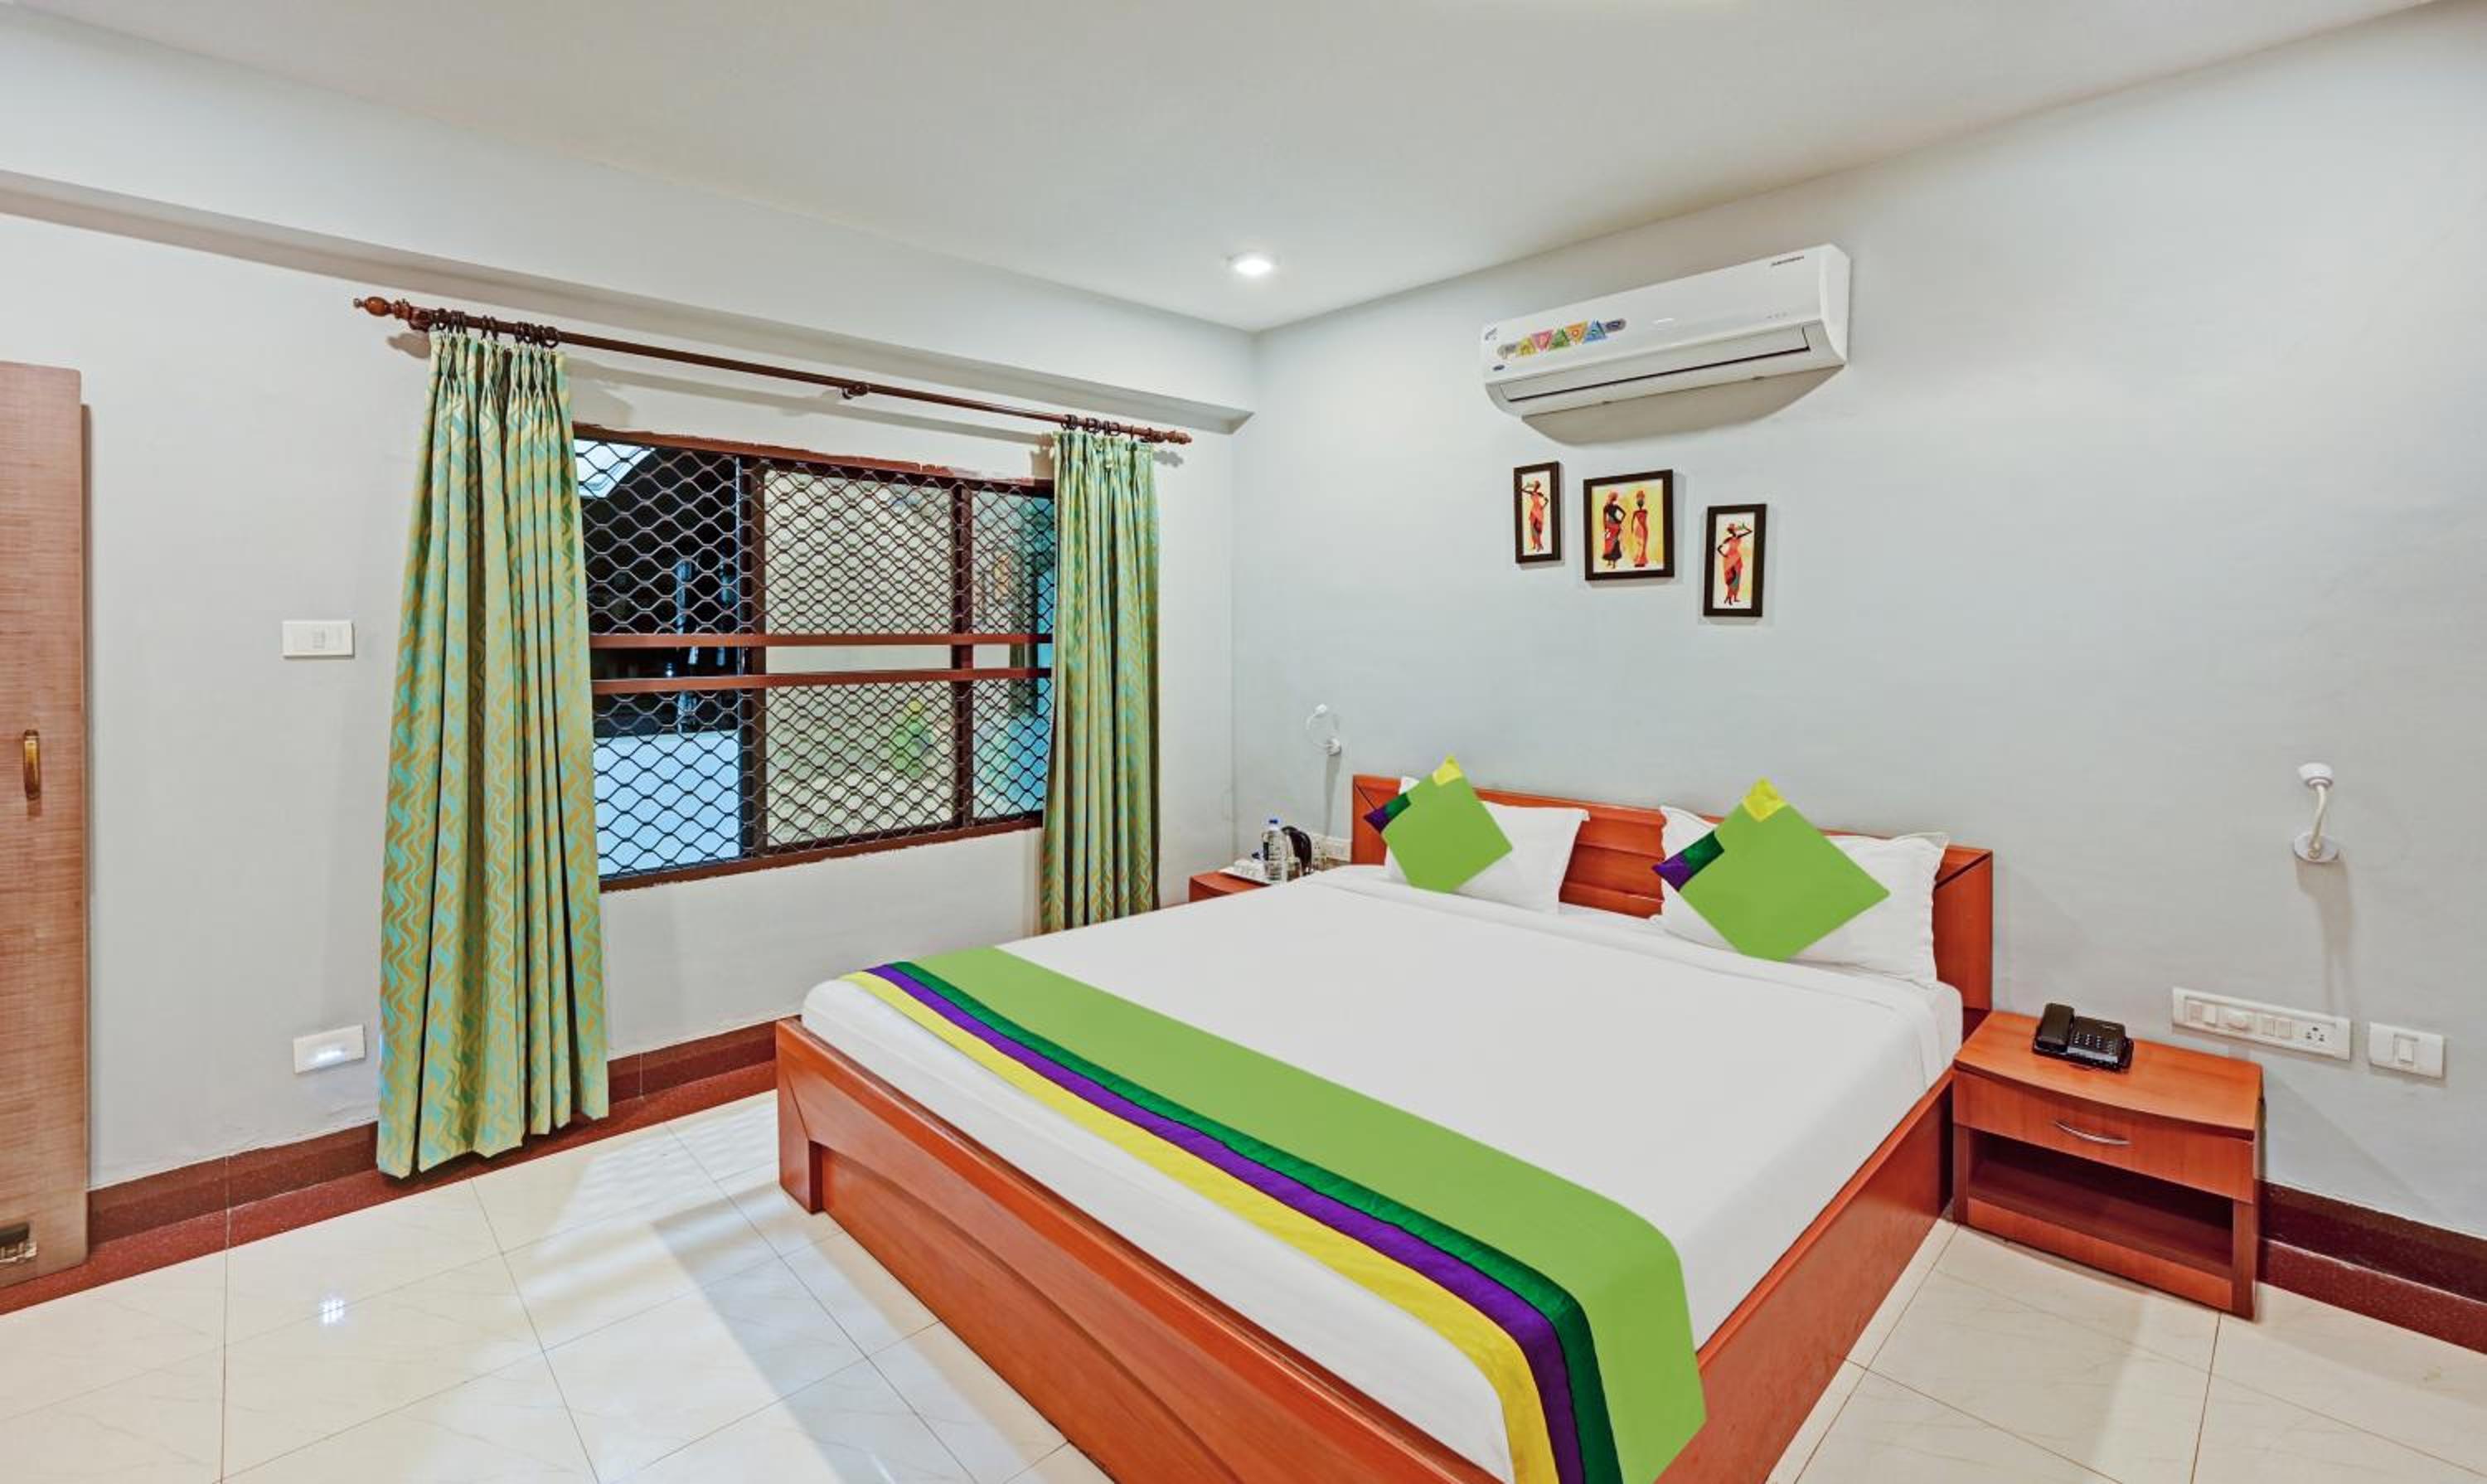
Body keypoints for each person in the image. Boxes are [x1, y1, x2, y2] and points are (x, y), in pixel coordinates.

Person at [1717, 520, 1753, 604]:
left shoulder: (1739, 536)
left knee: (1737, 577)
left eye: (1734, 530)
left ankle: (1735, 597)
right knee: (1732, 577)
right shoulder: (1728, 539)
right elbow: (1718, 548)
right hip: (1730, 557)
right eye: (1732, 530)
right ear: (1730, 531)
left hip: (1737, 557)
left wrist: (1744, 527)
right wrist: (1724, 555)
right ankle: (1729, 597)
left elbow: (1750, 531)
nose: (1733, 531)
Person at [1625, 490, 1651, 568]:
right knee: (1640, 545)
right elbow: (1633, 522)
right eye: (1639, 499)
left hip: (1642, 528)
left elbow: (1633, 522)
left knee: (1642, 545)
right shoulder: (1641, 512)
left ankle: (1641, 560)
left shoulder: (1642, 511)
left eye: (1641, 499)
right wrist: (1632, 529)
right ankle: (1639, 560)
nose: (1640, 501)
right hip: (1641, 528)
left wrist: (1632, 529)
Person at [1600, 492, 1625, 567]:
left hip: (1615, 527)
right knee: (1609, 544)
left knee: (1614, 543)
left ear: (1613, 499)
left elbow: (1624, 513)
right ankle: (1610, 562)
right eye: (1609, 497)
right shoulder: (1606, 507)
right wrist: (1605, 527)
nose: (1609, 499)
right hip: (1610, 527)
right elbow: (1604, 518)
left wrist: (1619, 521)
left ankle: (1613, 563)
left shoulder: (1614, 507)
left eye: (1611, 498)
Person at [1524, 478, 1549, 551]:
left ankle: (1538, 545)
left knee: (1535, 528)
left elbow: (1547, 500)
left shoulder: (1534, 493)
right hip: (1536, 510)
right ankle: (1537, 545)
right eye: (1534, 485)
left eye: (1534, 485)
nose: (1534, 486)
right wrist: (1528, 486)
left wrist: (1528, 486)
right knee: (1534, 528)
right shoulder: (1536, 493)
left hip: (1537, 510)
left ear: (1536, 486)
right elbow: (1547, 501)